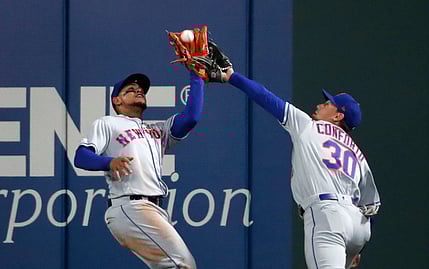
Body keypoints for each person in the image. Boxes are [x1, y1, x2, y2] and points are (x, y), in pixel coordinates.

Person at [220, 66, 381, 269]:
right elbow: (371, 206)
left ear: (338, 116)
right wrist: (357, 248)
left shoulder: (308, 125)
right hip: (357, 226)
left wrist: (231, 76)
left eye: (327, 103)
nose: (320, 105)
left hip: (327, 215)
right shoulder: (358, 154)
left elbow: (265, 96)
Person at [74, 71, 204, 269]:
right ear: (116, 100)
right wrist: (109, 162)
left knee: (171, 265)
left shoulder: (158, 129)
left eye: (141, 89)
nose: (138, 91)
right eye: (130, 90)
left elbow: (191, 118)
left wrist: (196, 76)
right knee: (183, 264)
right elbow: (81, 156)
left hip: (154, 210)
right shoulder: (108, 123)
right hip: (130, 206)